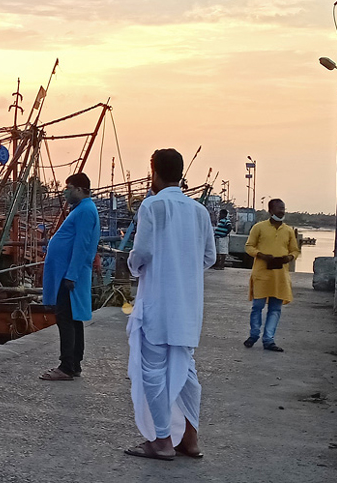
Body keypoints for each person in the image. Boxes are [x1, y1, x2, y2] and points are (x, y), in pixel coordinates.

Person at [124, 149, 216, 461]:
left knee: (152, 371)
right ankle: (190, 439)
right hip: (187, 307)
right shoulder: (199, 212)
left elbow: (143, 253)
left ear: (155, 173)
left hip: (158, 305)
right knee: (187, 371)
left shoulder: (153, 205)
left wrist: (133, 266)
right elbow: (209, 257)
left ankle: (161, 440)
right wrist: (183, 272)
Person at [40, 172, 101, 381]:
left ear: (79, 189)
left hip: (69, 274)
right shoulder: (82, 210)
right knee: (73, 318)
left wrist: (71, 275)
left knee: (65, 318)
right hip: (68, 273)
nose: (65, 192)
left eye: (68, 188)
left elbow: (82, 245)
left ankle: (66, 366)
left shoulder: (85, 211)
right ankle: (74, 363)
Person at [243, 198, 299, 352]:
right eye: (279, 208)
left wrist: (290, 257)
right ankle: (253, 335)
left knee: (275, 309)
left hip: (280, 276)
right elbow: (249, 247)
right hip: (262, 273)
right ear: (270, 211)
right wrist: (261, 255)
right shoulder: (259, 227)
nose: (282, 211)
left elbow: (295, 250)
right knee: (257, 307)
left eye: (283, 208)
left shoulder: (288, 230)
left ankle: (269, 340)